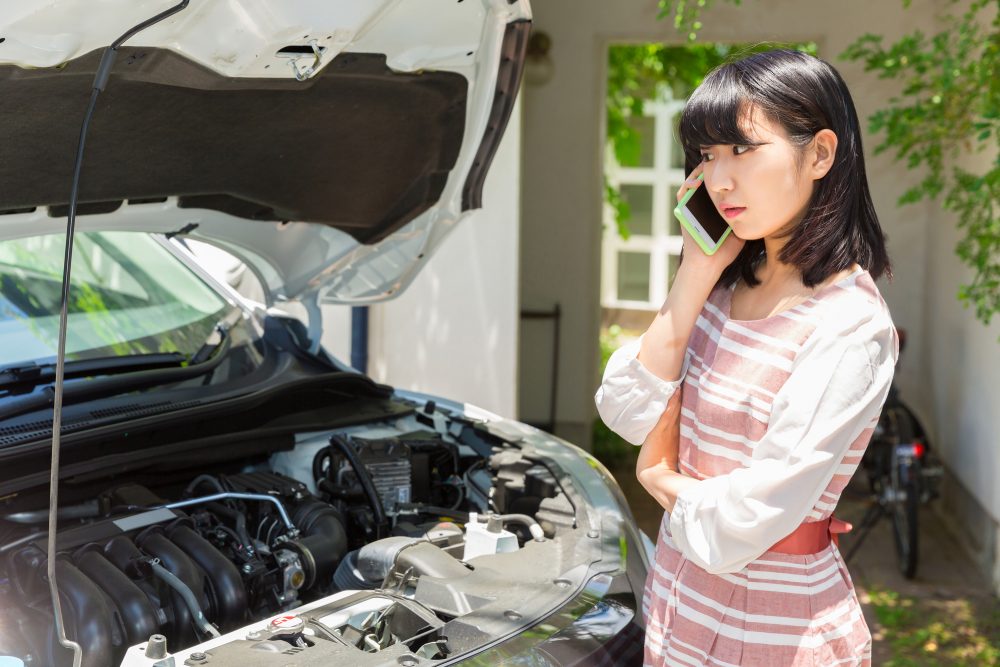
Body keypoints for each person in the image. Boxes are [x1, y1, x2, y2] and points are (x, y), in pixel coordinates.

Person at [594, 49, 898, 666]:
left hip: (774, 626)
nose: (719, 180)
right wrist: (696, 272)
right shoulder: (722, 289)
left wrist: (660, 478)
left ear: (819, 154)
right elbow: (623, 409)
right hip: (683, 596)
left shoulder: (849, 323)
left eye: (743, 150)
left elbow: (749, 511)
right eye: (708, 156)